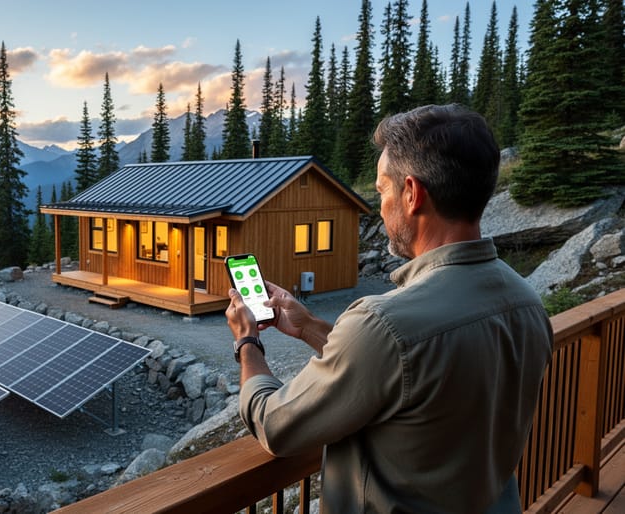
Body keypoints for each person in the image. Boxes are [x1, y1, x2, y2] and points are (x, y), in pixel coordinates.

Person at [226, 104, 553, 513]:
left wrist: (247, 342)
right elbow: (409, 371)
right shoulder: (526, 302)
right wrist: (308, 326)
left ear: (412, 194)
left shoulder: (383, 323)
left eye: (382, 190)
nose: (380, 206)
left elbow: (276, 424)